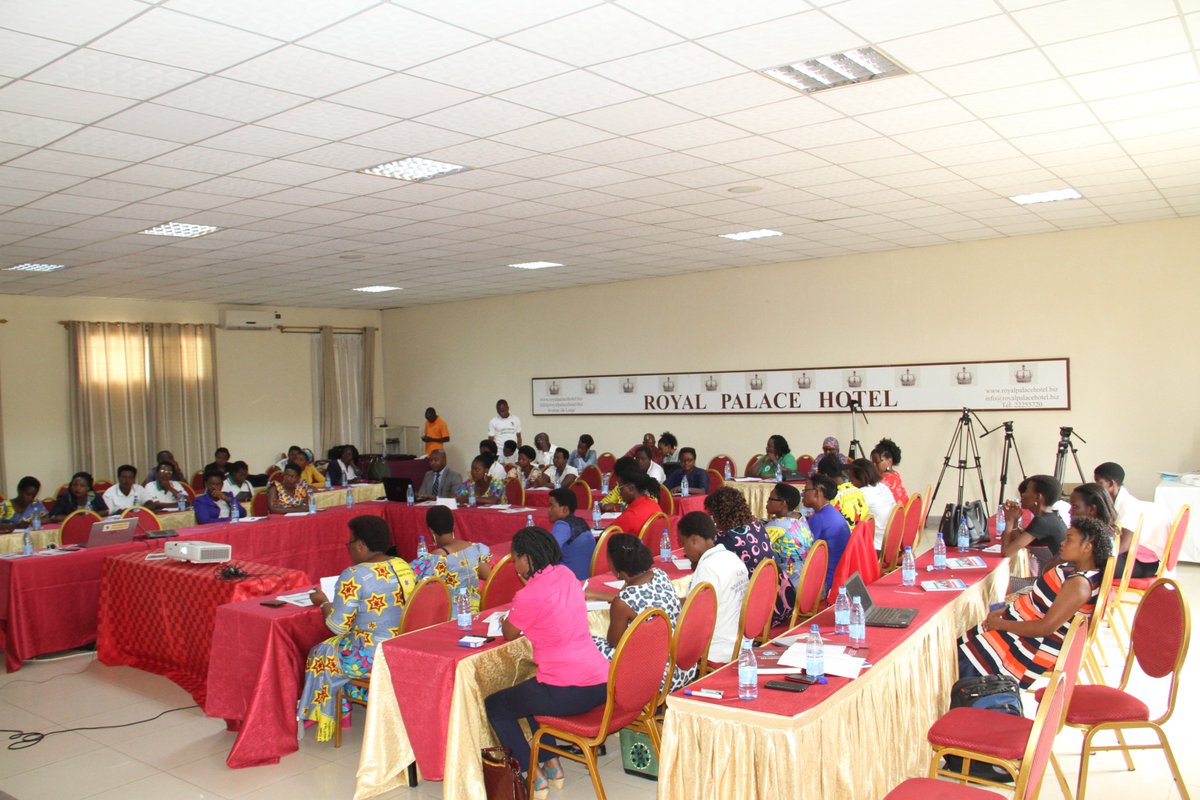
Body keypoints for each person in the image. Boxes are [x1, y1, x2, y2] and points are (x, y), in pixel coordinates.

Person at [485, 527, 609, 795]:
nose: (513, 563)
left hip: (568, 690)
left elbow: (509, 632)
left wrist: (520, 599)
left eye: (515, 557)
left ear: (527, 558)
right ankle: (552, 764)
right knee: (530, 692)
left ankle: (533, 774)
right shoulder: (565, 574)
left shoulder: (529, 595)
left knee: (495, 705)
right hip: (600, 681)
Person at [298, 515, 417, 742]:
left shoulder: (354, 575)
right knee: (332, 649)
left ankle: (333, 711)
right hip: (401, 644)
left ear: (361, 544)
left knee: (321, 651)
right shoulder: (402, 564)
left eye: (350, 542)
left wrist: (323, 603)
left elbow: (337, 627)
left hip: (372, 654)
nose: (349, 548)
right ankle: (342, 705)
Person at [959, 516, 1110, 688]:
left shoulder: (1079, 584)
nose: (1062, 542)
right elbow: (1041, 601)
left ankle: (970, 703)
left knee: (964, 658)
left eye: (1069, 539)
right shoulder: (1073, 569)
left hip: (1036, 643)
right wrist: (1006, 614)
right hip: (1021, 623)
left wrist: (1002, 624)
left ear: (1087, 547)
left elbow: (1045, 628)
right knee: (961, 646)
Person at [586, 533, 690, 689]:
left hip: (657, 676)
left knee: (590, 645)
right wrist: (596, 594)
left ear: (617, 567)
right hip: (682, 665)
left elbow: (614, 642)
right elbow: (638, 597)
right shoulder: (660, 574)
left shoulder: (623, 601)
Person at [678, 511, 749, 665]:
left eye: (684, 544)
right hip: (739, 642)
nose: (684, 551)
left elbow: (695, 616)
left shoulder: (707, 568)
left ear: (694, 540)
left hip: (716, 649)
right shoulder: (731, 556)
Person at [1094, 462, 1168, 578]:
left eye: (1099, 483)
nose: (1096, 487)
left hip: (1142, 562)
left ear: (1111, 484)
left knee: (1096, 563)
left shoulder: (1128, 506)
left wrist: (1097, 555)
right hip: (1127, 556)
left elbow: (1124, 545)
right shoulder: (1114, 503)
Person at [412, 506, 493, 610]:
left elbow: (421, 588)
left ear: (431, 531)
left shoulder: (437, 557)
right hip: (474, 611)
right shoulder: (474, 548)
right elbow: (488, 575)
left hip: (450, 616)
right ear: (453, 526)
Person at [1000, 474, 1067, 570]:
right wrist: (1014, 522)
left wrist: (1009, 522)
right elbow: (1021, 541)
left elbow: (1006, 552)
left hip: (1049, 581)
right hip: (1050, 576)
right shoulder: (1052, 515)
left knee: (1004, 584)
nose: (1022, 494)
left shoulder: (1042, 522)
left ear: (1038, 497)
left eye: (1026, 491)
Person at [704, 486, 773, 572]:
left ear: (721, 515)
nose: (714, 522)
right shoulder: (757, 526)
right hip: (771, 582)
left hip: (749, 584)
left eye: (713, 516)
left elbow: (710, 566)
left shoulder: (727, 539)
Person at [804, 474, 851, 591]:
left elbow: (804, 553)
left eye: (805, 490)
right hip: (839, 577)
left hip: (824, 583)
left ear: (817, 492)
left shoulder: (818, 519)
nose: (802, 494)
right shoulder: (833, 512)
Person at [763, 482, 815, 573]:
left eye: (771, 499)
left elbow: (757, 546)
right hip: (806, 574)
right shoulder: (800, 517)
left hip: (787, 578)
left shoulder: (776, 525)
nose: (767, 502)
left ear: (783, 503)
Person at [846, 459, 898, 547]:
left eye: (851, 478)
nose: (850, 482)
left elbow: (849, 519)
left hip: (875, 546)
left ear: (861, 477)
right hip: (891, 542)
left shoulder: (862, 493)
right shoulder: (883, 486)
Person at [547, 488, 595, 580]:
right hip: (587, 576)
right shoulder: (582, 522)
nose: (549, 510)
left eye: (552, 506)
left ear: (565, 509)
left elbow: (548, 552)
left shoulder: (562, 525)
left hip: (570, 580)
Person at [819, 456, 869, 527]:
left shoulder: (832, 498)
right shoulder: (858, 491)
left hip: (846, 536)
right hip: (860, 535)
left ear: (825, 476)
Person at [612, 471, 662, 535]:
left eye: (620, 489)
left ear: (631, 488)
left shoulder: (630, 516)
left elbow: (605, 537)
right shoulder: (654, 504)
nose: (619, 493)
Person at [870, 437, 908, 505]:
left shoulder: (882, 481)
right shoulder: (895, 474)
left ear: (889, 461)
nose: (873, 465)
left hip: (893, 514)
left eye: (877, 462)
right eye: (872, 462)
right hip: (904, 512)